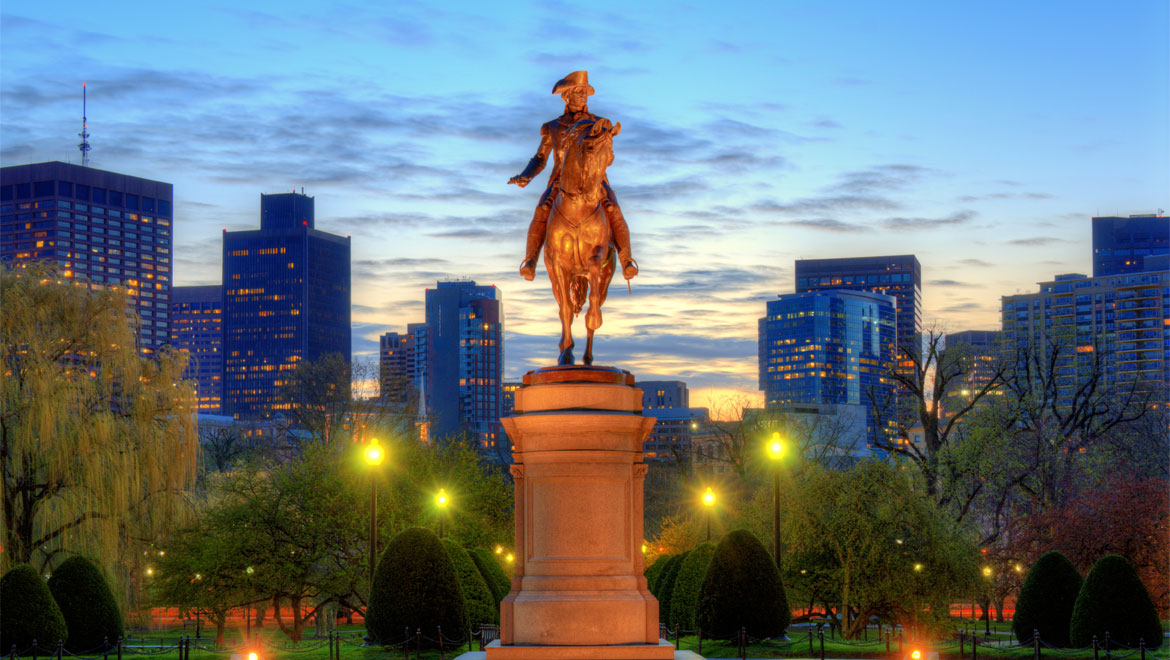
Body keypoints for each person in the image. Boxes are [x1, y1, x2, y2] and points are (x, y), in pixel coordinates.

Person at [509, 70, 638, 281]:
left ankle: (626, 260)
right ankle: (530, 261)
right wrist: (525, 176)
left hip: (595, 181)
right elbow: (540, 158)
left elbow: (607, 154)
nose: (582, 96)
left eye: (585, 92)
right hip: (561, 182)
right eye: (578, 91)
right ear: (566, 96)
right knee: (542, 209)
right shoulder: (553, 127)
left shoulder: (598, 124)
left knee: (613, 208)